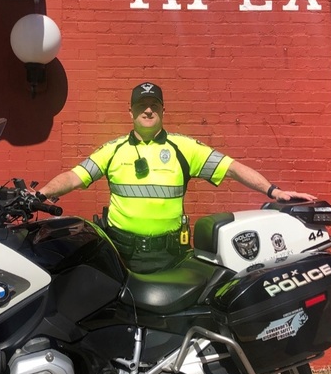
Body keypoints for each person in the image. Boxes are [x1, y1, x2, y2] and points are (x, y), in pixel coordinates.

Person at [38, 81, 316, 273]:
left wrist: (273, 191)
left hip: (170, 256)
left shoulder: (184, 148)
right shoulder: (113, 150)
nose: (148, 110)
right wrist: (40, 195)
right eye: (142, 105)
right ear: (131, 111)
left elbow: (231, 167)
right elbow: (74, 177)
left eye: (154, 105)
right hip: (121, 254)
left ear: (163, 111)